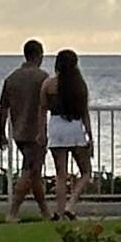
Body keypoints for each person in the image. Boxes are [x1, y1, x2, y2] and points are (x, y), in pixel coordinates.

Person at [0, 37, 53, 221]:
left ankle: (45, 212)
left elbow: (3, 108)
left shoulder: (12, 78)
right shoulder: (43, 78)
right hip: (36, 133)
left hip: (19, 133)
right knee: (29, 172)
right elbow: (51, 104)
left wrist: (1, 133)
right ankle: (12, 212)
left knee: (35, 173)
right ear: (39, 55)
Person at [45, 47, 94, 217]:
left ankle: (58, 211)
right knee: (86, 171)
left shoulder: (49, 84)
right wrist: (90, 136)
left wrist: (40, 132)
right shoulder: (79, 85)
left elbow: (41, 108)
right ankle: (70, 204)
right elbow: (84, 113)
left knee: (60, 174)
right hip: (74, 128)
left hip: (56, 127)